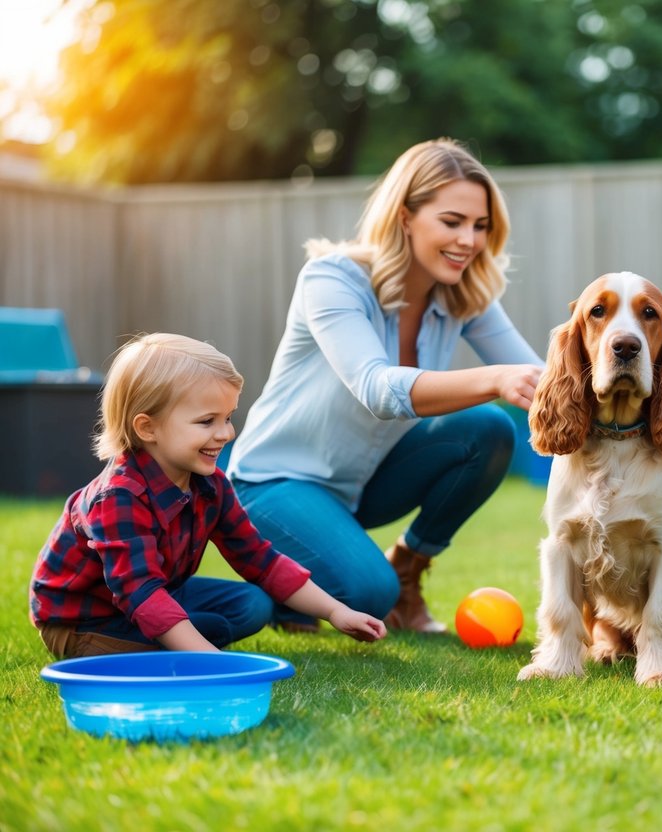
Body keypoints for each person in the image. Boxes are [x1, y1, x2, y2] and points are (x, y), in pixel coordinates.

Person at [228, 139, 543, 634]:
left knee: (487, 429)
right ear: (405, 216)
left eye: (480, 226)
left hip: (365, 483)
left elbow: (541, 378)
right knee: (371, 594)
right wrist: (497, 379)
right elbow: (376, 387)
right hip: (274, 483)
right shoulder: (332, 279)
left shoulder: (465, 295)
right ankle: (288, 592)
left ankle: (408, 569)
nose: (469, 240)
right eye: (452, 221)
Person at [29, 333, 387, 659]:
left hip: (156, 594)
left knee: (253, 605)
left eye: (228, 417)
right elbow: (140, 593)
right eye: (207, 422)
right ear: (147, 427)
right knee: (189, 633)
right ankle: (177, 645)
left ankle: (180, 639)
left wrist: (336, 611)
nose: (225, 433)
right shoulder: (117, 498)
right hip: (85, 621)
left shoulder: (211, 484)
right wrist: (211, 661)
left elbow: (260, 559)